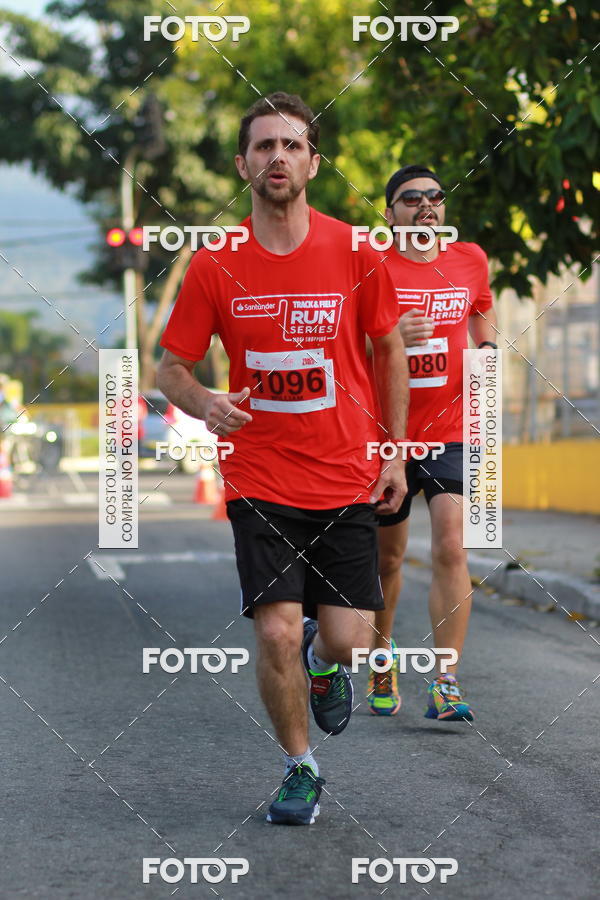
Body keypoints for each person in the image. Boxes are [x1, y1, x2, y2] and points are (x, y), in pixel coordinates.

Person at [157, 93, 408, 825]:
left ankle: (325, 665)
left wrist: (392, 452)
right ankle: (301, 767)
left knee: (346, 637)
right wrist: (205, 403)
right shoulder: (215, 263)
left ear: (313, 163)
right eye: (264, 146)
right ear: (243, 164)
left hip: (344, 474)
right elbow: (171, 366)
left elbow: (388, 347)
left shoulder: (355, 250)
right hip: (259, 477)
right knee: (273, 628)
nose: (277, 157)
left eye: (291, 146)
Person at [366, 164, 497, 721]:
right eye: (411, 198)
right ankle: (380, 654)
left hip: (450, 430)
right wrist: (391, 338)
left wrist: (486, 349)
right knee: (388, 560)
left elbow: (482, 306)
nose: (426, 205)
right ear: (390, 212)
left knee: (452, 545)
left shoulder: (469, 258)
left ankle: (445, 678)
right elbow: (344, 346)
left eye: (435, 197)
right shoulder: (371, 268)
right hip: (387, 435)